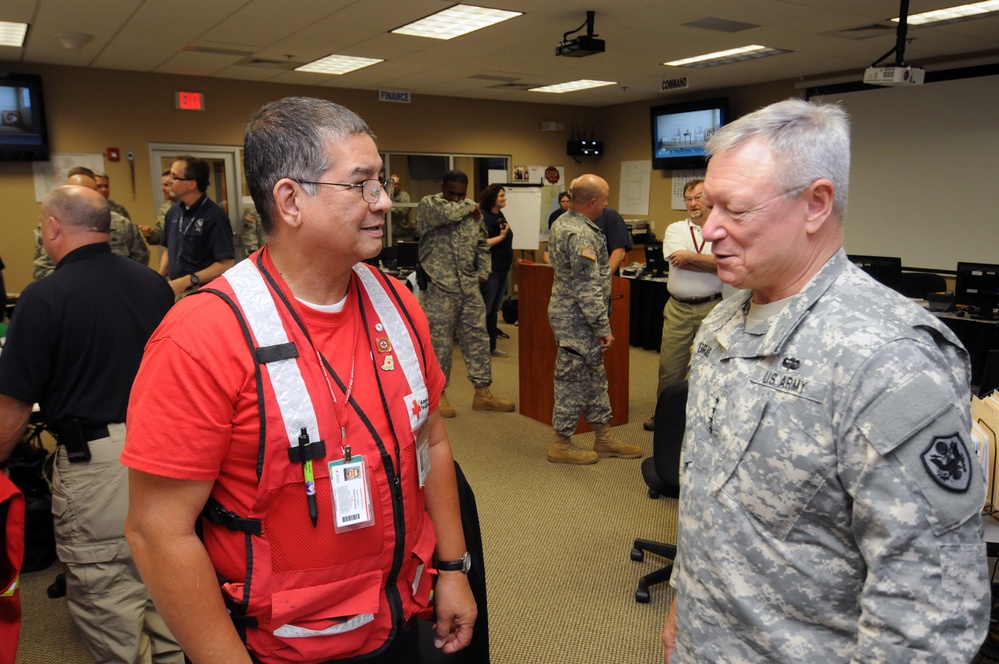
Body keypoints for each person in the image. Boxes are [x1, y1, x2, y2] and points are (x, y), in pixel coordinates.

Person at [122, 96, 477, 664]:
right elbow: (156, 531)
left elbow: (429, 440)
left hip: (400, 617)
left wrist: (454, 569)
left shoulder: (398, 303)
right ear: (290, 200)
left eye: (379, 181)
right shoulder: (201, 335)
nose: (383, 201)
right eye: (360, 183)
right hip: (278, 649)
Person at [662, 98, 988, 662]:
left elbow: (930, 606)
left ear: (816, 204)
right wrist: (682, 610)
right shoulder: (724, 320)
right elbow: (710, 500)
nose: (708, 230)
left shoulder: (889, 358)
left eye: (733, 210)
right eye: (707, 206)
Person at [0, 185, 179, 663]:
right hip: (168, 454)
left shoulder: (43, 297)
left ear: (54, 228)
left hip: (99, 465)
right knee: (165, 590)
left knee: (108, 599)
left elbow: (15, 406)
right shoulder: (152, 285)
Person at [546, 175, 642, 465]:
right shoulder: (581, 234)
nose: (607, 202)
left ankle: (603, 437)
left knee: (595, 378)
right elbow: (586, 287)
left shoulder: (565, 222)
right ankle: (561, 443)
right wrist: (603, 327)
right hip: (577, 320)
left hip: (578, 317)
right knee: (571, 381)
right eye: (605, 197)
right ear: (592, 202)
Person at [416, 170, 515, 418]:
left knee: (478, 340)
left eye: (462, 195)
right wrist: (470, 206)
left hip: (468, 288)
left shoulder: (474, 214)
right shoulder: (431, 204)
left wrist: (482, 272)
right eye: (452, 193)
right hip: (439, 288)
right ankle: (440, 396)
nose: (457, 199)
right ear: (443, 187)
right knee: (440, 345)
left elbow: (482, 245)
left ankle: (483, 393)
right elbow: (446, 213)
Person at [643, 179, 721, 431]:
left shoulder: (722, 229)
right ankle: (663, 415)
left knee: (710, 367)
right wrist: (710, 262)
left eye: (698, 197)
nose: (692, 203)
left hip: (713, 308)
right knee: (670, 368)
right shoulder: (676, 228)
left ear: (710, 200)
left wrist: (691, 257)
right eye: (688, 199)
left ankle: (704, 419)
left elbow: (726, 265)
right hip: (677, 308)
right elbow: (677, 259)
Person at [33, 172, 149, 279]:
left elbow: (140, 257)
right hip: (69, 294)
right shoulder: (51, 225)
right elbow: (42, 269)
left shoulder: (122, 223)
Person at [158, 156, 235, 297]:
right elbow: (169, 251)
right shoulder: (173, 212)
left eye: (174, 177)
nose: (168, 181)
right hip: (174, 288)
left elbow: (226, 264)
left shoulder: (214, 216)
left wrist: (188, 280)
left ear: (191, 184)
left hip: (200, 291)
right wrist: (158, 279)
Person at [479, 184, 513, 358]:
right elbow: (481, 243)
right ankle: (484, 347)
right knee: (487, 310)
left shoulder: (498, 214)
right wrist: (501, 237)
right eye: (501, 196)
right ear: (493, 198)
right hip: (491, 270)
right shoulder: (483, 217)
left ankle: (491, 346)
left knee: (494, 310)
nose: (504, 199)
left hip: (502, 269)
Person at [593, 206, 633, 275]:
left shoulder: (610, 215)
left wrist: (603, 278)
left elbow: (619, 251)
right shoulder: (572, 220)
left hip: (605, 279)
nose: (606, 203)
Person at [139, 170, 175, 245]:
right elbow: (160, 237)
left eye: (166, 185)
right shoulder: (164, 209)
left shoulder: (190, 206)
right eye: (162, 185)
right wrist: (150, 234)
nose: (162, 189)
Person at [389, 174, 414, 241]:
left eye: (396, 184)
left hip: (402, 232)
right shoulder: (385, 195)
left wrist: (390, 207)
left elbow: (403, 212)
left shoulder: (404, 196)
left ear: (400, 185)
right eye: (392, 184)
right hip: (388, 233)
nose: (394, 186)